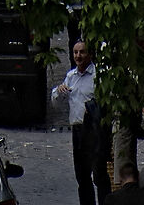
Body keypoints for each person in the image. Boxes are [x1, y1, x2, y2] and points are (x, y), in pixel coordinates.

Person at [54, 39, 110, 205]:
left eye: (82, 52)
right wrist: (58, 91)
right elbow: (55, 101)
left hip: (95, 129)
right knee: (82, 174)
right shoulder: (71, 76)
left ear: (90, 55)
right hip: (78, 130)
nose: (78, 56)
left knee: (99, 173)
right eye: (75, 52)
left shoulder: (98, 75)